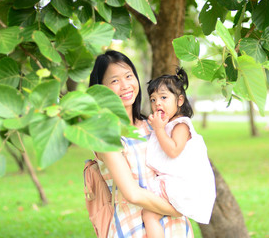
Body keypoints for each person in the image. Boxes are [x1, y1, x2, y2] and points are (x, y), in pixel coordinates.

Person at [89, 50, 194, 237]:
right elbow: (132, 194)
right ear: (100, 89)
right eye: (114, 80)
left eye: (129, 76)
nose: (125, 85)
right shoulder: (105, 135)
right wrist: (176, 209)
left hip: (175, 228)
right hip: (133, 227)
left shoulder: (153, 125)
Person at [142, 68, 216, 238]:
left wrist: (159, 129)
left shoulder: (181, 125)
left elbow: (174, 150)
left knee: (148, 214)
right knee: (151, 215)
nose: (157, 103)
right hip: (174, 185)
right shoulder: (167, 123)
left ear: (180, 100)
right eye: (153, 99)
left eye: (163, 97)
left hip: (181, 187)